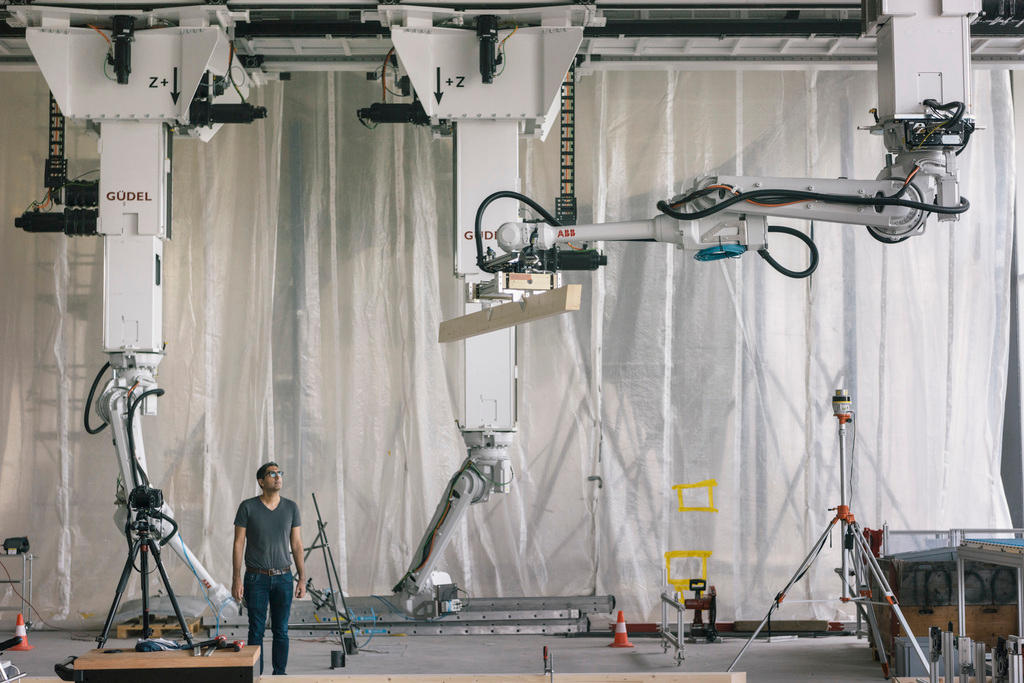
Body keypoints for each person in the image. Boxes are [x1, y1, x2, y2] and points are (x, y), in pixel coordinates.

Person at [232, 462, 306, 676]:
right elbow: (238, 543)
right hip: (256, 579)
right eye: (272, 474)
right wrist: (237, 579)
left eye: (280, 473)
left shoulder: (291, 507)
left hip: (284, 578)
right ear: (261, 481)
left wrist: (301, 578)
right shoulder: (248, 507)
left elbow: (297, 544)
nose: (278, 477)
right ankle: (256, 677)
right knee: (256, 631)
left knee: (281, 631)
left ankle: (279, 676)